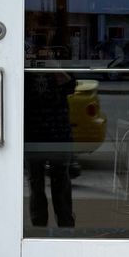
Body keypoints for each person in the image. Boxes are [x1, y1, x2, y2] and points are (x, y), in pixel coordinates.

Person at [23, 71, 76, 228]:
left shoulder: (59, 53)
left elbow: (71, 86)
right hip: (33, 132)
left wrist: (54, 65)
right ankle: (39, 230)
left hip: (58, 132)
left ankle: (66, 230)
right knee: (36, 184)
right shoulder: (26, 56)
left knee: (61, 184)